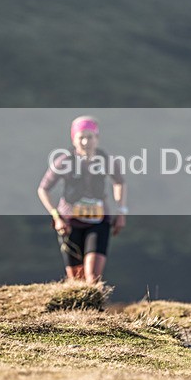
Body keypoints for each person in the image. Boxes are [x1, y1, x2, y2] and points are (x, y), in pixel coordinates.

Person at [37, 116, 127, 284]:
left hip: (98, 221)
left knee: (92, 277)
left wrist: (121, 211)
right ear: (74, 139)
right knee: (76, 280)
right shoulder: (64, 161)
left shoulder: (106, 160)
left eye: (90, 137)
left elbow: (119, 182)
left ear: (97, 138)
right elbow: (43, 189)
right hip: (70, 223)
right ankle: (81, 310)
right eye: (81, 137)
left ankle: (96, 309)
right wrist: (56, 216)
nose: (86, 142)